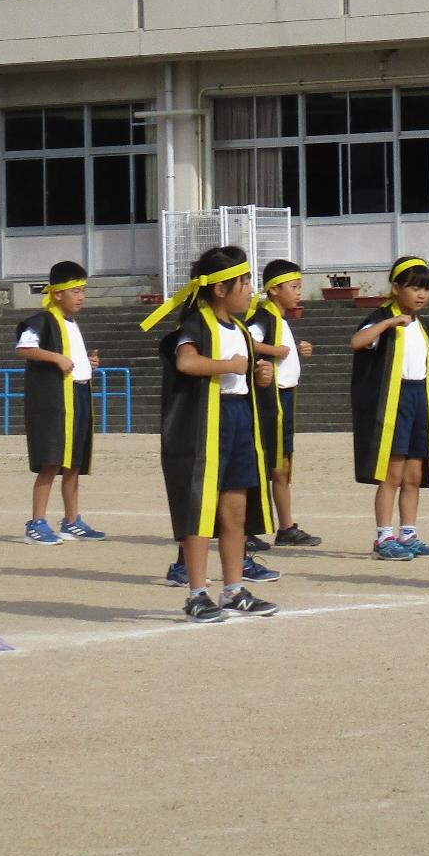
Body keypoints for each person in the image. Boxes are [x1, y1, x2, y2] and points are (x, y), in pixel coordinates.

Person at [146, 245, 278, 622]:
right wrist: (230, 365)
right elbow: (186, 362)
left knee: (235, 512)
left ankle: (233, 590)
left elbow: (243, 372)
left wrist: (259, 374)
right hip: (205, 425)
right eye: (244, 282)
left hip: (238, 420)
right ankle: (196, 594)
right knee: (200, 510)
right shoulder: (196, 325)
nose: (251, 290)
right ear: (220, 289)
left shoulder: (240, 328)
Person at [349, 257, 429, 562]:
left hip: (418, 396)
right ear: (396, 288)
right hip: (394, 399)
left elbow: (426, 350)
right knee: (392, 473)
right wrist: (388, 323)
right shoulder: (383, 316)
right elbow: (357, 342)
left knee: (414, 473)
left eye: (426, 289)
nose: (421, 294)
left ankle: (408, 534)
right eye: (414, 288)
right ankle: (384, 537)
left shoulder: (420, 322)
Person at [15, 261, 105, 546]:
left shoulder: (72, 323)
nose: (81, 297)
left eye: (83, 291)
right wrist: (55, 358)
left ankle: (71, 520)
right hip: (56, 401)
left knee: (74, 463)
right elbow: (24, 348)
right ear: (57, 294)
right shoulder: (44, 320)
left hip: (79, 396)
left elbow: (70, 356)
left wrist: (87, 362)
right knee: (51, 461)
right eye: (75, 291)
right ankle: (36, 522)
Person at [246, 258, 320, 549]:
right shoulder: (264, 317)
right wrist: (274, 350)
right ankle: (247, 528)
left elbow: (283, 353)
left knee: (283, 465)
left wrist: (299, 351)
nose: (299, 292)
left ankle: (286, 527)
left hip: (285, 397)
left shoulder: (280, 320)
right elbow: (247, 342)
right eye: (294, 287)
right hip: (270, 400)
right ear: (275, 289)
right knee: (269, 464)